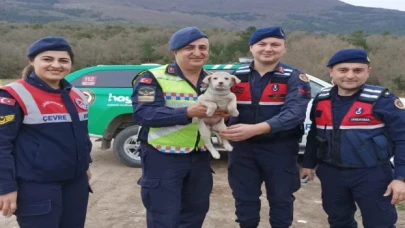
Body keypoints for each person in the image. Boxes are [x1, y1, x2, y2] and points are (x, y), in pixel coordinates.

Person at [131, 27, 227, 228]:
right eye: (189, 48)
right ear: (175, 52)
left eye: (203, 47)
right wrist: (187, 113)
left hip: (199, 157)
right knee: (163, 217)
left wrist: (223, 116)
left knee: (195, 214)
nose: (198, 52)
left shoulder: (214, 80)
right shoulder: (152, 77)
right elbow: (143, 114)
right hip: (162, 156)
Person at [300, 48, 405, 228]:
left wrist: (400, 178)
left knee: (380, 223)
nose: (350, 75)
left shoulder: (383, 100)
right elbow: (314, 135)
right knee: (339, 221)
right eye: (343, 70)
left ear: (367, 72)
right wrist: (308, 164)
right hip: (331, 173)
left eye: (357, 70)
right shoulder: (322, 99)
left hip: (372, 174)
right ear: (331, 71)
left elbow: (402, 139)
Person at [219, 26, 312, 228]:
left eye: (275, 44)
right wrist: (221, 118)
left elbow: (294, 114)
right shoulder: (235, 76)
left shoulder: (294, 77)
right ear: (251, 47)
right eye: (262, 44)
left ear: (284, 48)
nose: (268, 49)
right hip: (242, 150)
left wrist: (256, 129)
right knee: (245, 201)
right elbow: (223, 107)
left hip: (280, 149)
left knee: (281, 200)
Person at [0, 36, 93, 228]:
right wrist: (6, 187)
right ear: (32, 61)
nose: (56, 65)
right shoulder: (13, 95)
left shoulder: (76, 94)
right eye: (47, 59)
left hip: (75, 183)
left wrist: (85, 164)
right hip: (36, 186)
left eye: (63, 60)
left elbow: (82, 135)